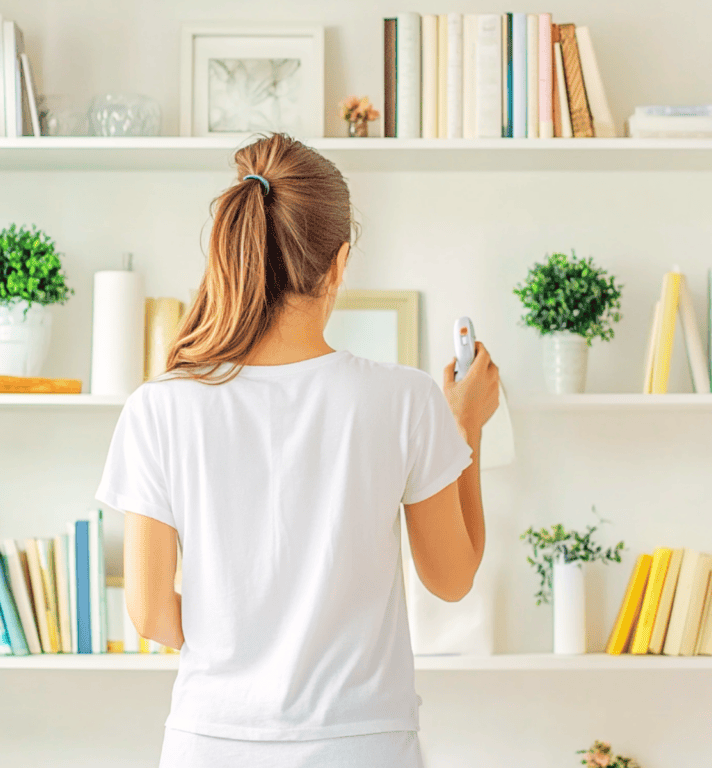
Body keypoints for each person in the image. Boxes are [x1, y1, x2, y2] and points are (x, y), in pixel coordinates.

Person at [96, 133, 500, 768]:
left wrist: (236, 652)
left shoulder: (160, 405)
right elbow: (451, 580)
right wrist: (466, 426)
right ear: (338, 263)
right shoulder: (406, 399)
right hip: (362, 745)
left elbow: (150, 615)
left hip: (211, 743)